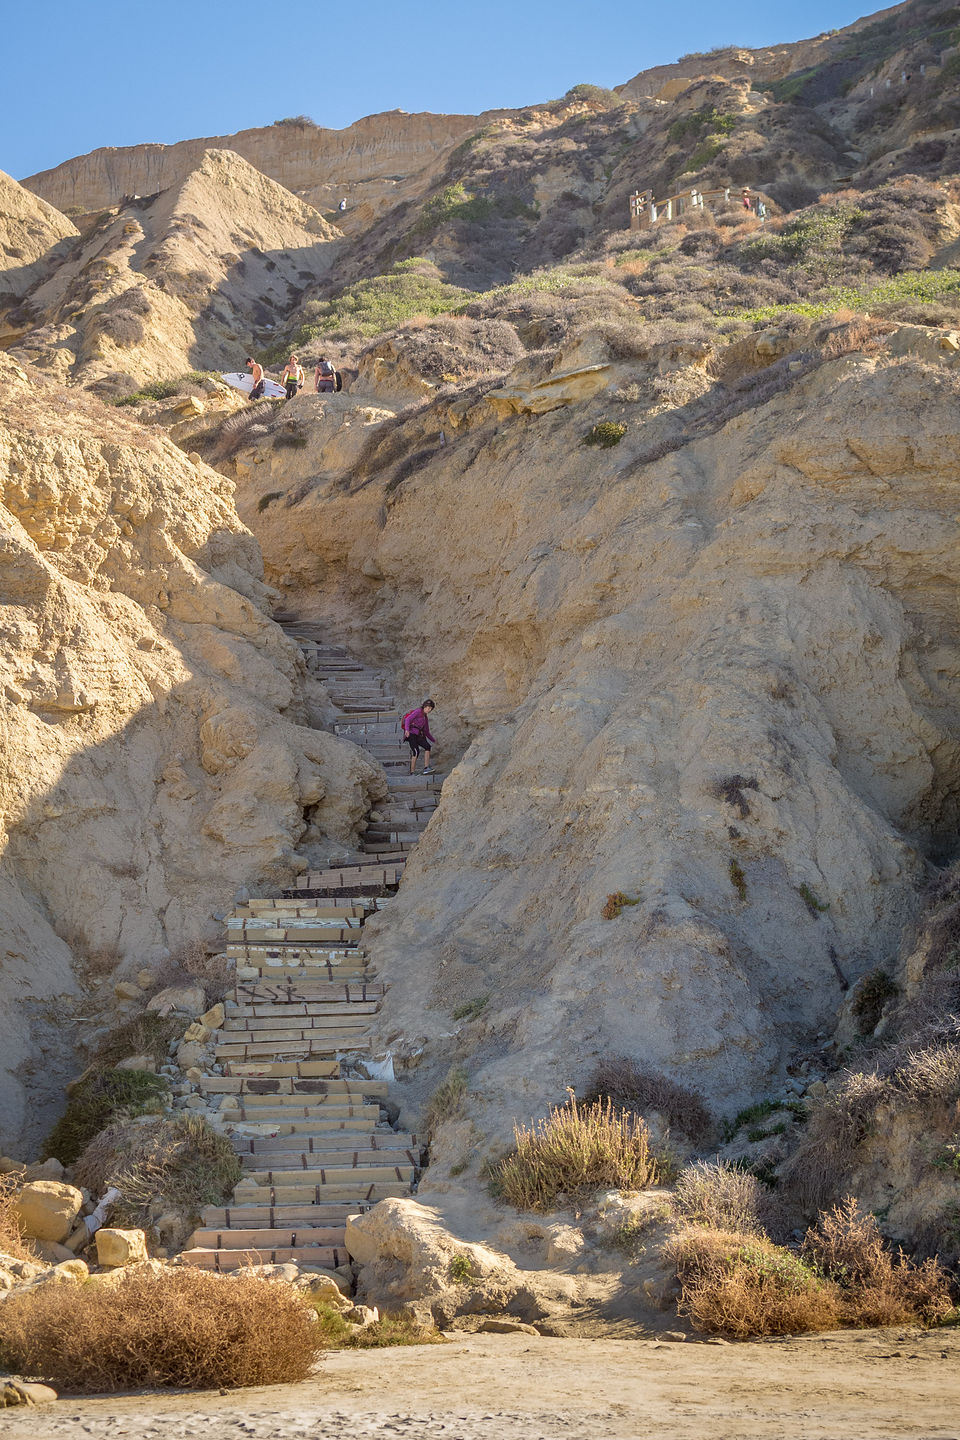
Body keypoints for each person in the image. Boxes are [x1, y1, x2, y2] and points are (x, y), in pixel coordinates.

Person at [402, 700, 436, 776]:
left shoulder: (425, 717)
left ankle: (426, 768)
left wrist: (434, 740)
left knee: (428, 746)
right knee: (416, 751)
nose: (429, 709)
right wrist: (407, 730)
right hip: (411, 734)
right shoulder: (418, 711)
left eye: (430, 708)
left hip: (419, 735)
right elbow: (408, 719)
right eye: (428, 707)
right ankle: (412, 772)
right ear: (424, 706)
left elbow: (426, 731)